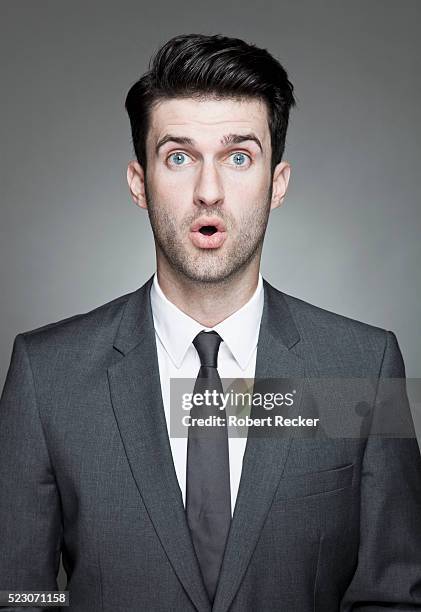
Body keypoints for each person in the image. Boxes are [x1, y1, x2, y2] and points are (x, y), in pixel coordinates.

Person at [1, 33, 420, 612]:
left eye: (239, 156)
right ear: (138, 184)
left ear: (277, 184)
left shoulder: (365, 367)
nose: (208, 191)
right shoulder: (44, 375)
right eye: (179, 156)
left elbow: (395, 597)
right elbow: (18, 596)